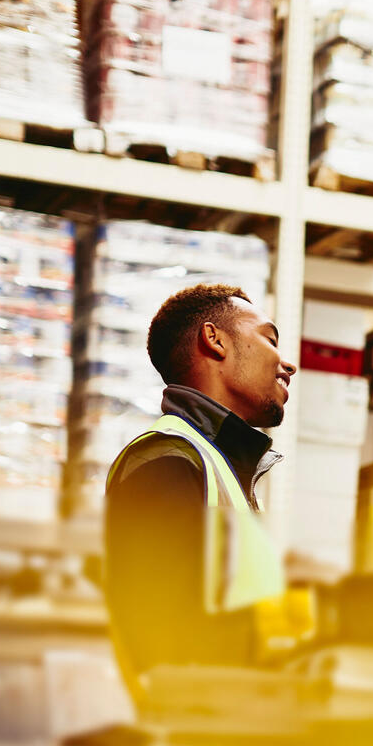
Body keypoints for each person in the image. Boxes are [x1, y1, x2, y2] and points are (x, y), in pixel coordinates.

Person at [104, 283, 298, 690]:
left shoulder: (219, 463)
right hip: (194, 731)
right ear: (214, 340)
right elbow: (160, 638)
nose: (288, 365)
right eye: (270, 338)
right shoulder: (169, 460)